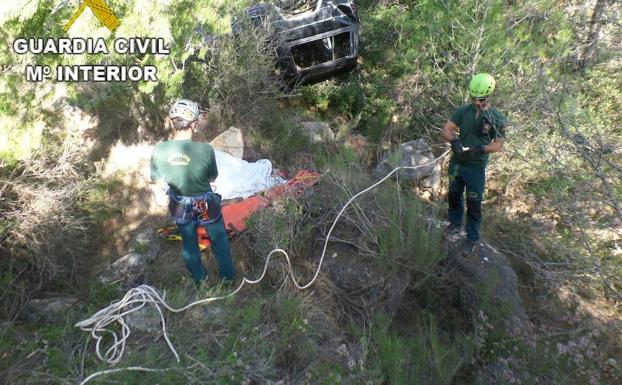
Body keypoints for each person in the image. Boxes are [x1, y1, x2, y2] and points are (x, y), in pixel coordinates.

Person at [149, 99, 235, 283]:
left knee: (189, 243)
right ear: (194, 124)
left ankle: (199, 280)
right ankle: (227, 279)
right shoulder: (205, 150)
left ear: (172, 122)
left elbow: (154, 178)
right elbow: (212, 178)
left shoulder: (159, 150)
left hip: (179, 204)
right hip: (202, 203)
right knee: (218, 238)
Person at [440, 73, 507, 254]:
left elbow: (498, 145)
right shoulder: (463, 111)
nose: (477, 102)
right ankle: (454, 224)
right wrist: (454, 141)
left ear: (489, 96)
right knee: (454, 196)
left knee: (474, 203)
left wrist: (482, 149)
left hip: (475, 168)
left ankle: (472, 238)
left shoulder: (497, 118)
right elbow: (446, 130)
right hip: (457, 163)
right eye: (474, 98)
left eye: (481, 99)